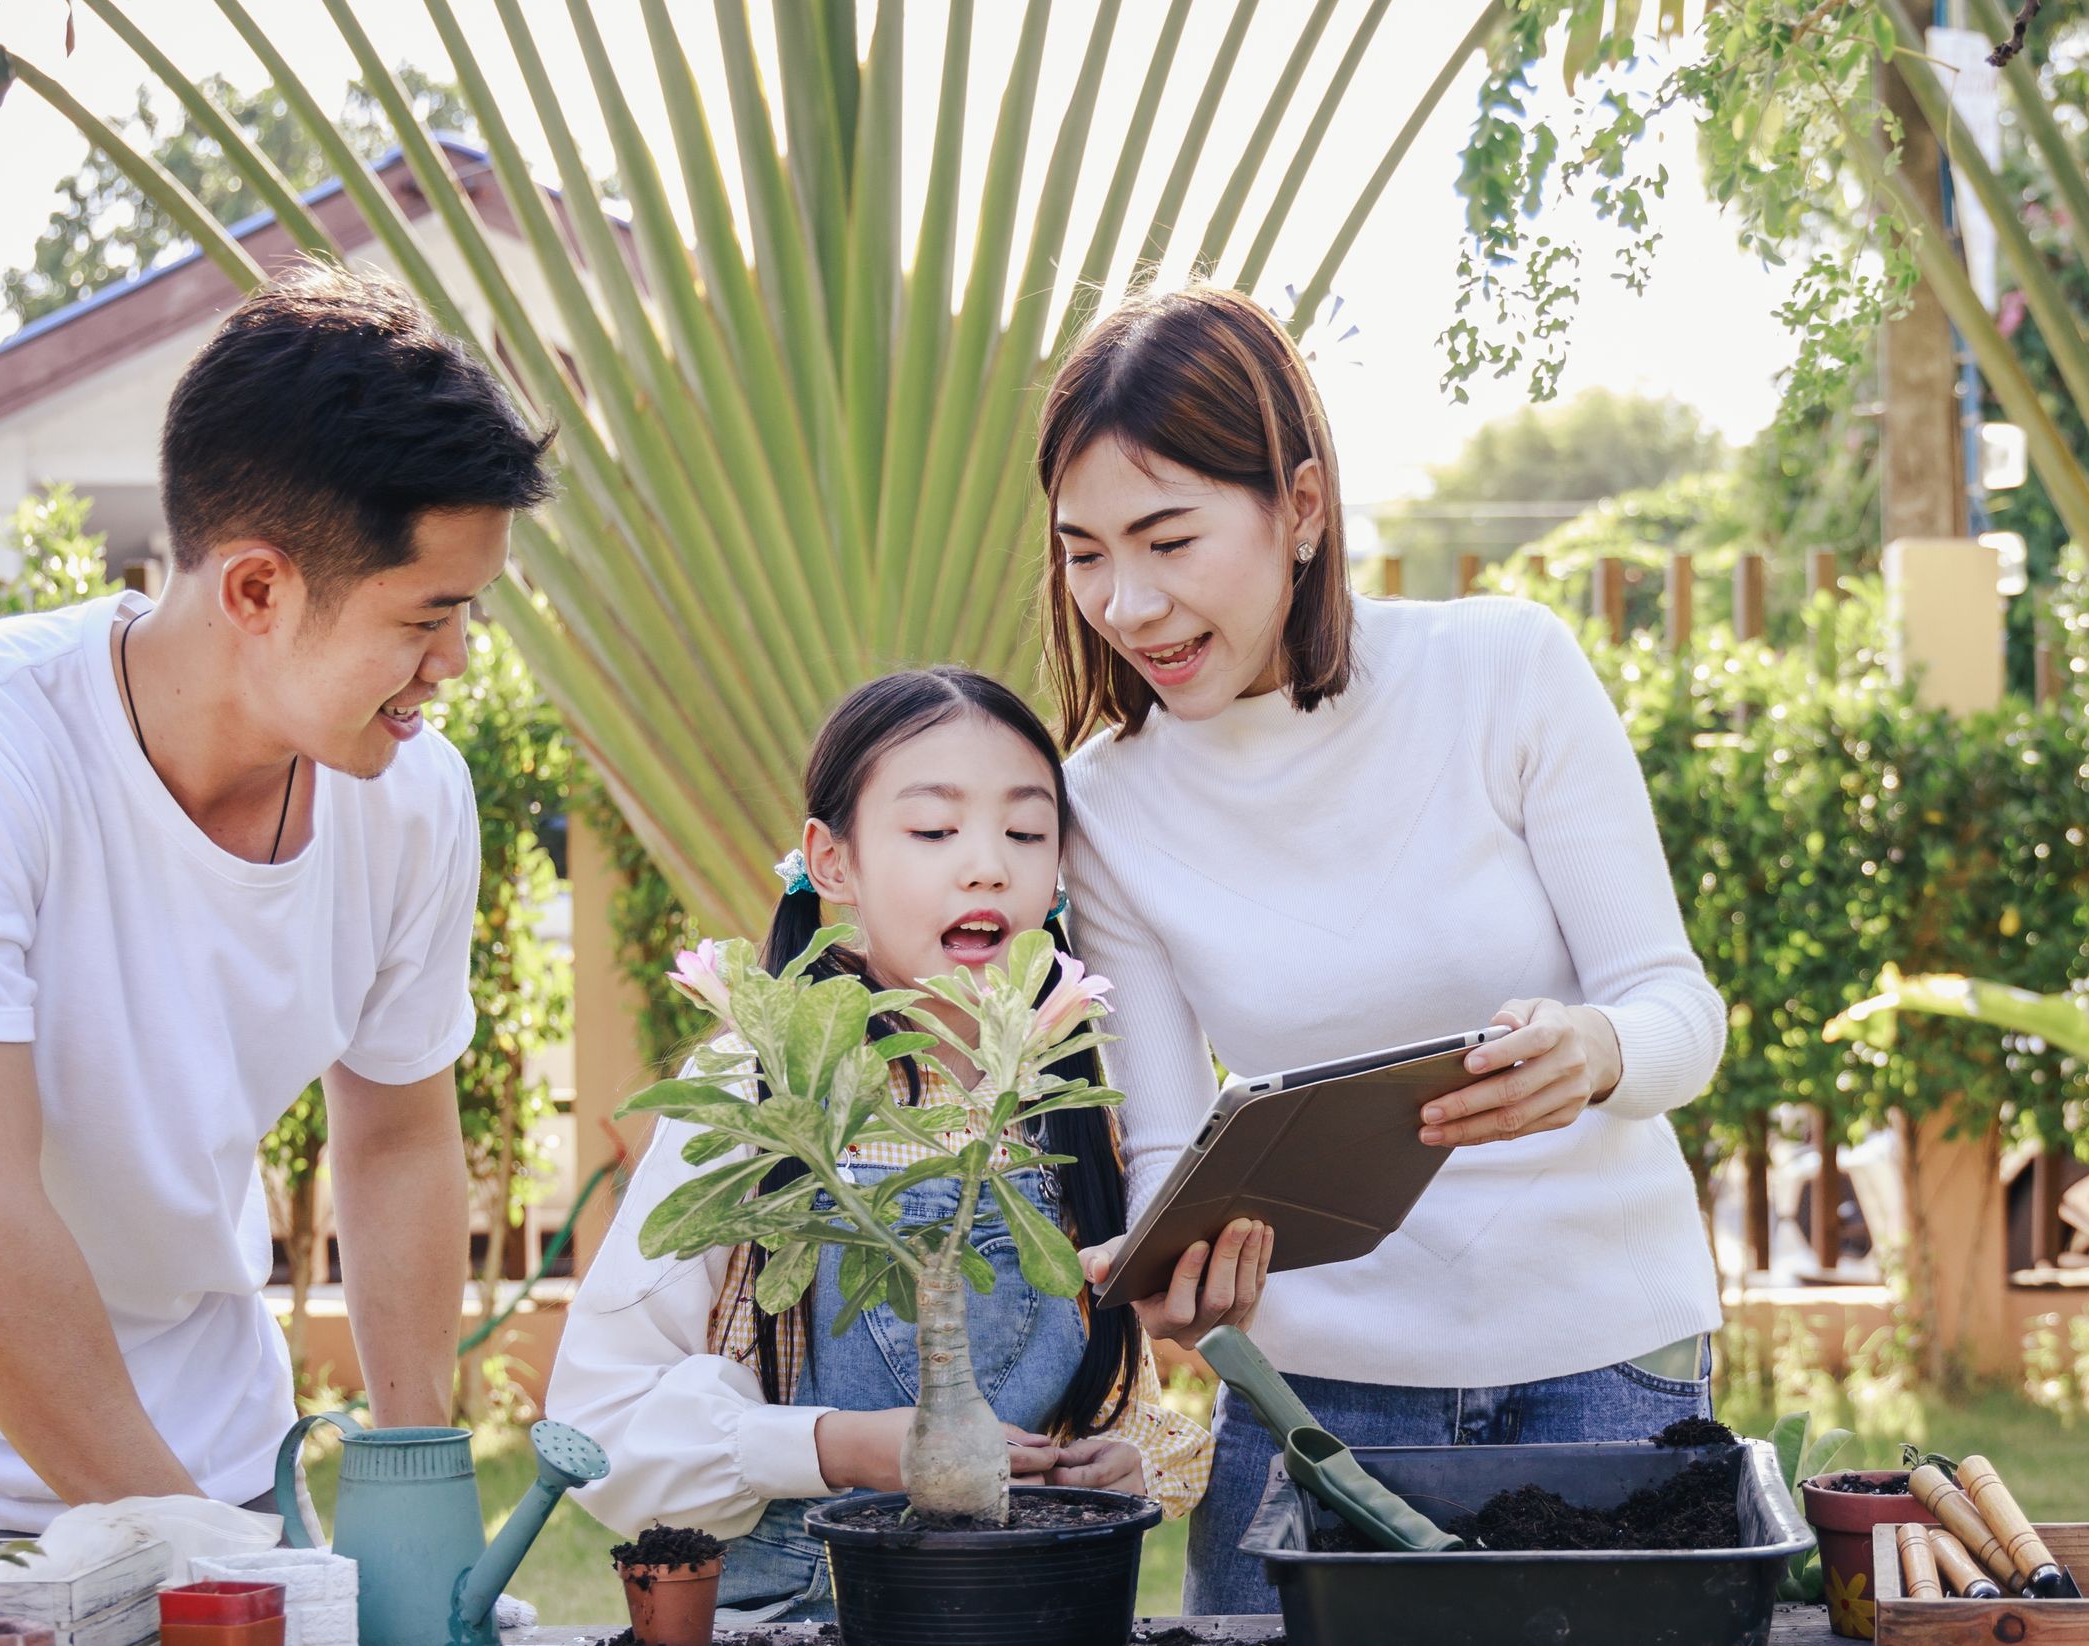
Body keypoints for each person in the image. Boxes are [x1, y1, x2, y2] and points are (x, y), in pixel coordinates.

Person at [0, 268, 554, 1537]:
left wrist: (418, 1487)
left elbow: (396, 1140)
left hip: (215, 1452)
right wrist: (217, 1563)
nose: (454, 662)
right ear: (256, 590)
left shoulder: (410, 797)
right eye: (428, 616)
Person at [1034, 285, 1729, 1613]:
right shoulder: (1105, 806)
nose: (1127, 601)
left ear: (1301, 507)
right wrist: (1173, 1275)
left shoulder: (1504, 671)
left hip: (1609, 1368)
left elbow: (1675, 1011)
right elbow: (1176, 1151)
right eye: (1084, 553)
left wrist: (1594, 1048)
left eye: (1170, 538)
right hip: (1311, 1401)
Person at [549, 667, 1271, 1623]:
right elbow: (600, 1424)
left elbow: (1108, 1390)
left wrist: (1122, 1461)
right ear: (832, 861)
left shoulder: (1083, 1108)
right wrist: (843, 1446)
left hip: (1031, 1612)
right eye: (933, 830)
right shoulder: (759, 1093)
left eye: (1026, 832)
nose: (987, 866)